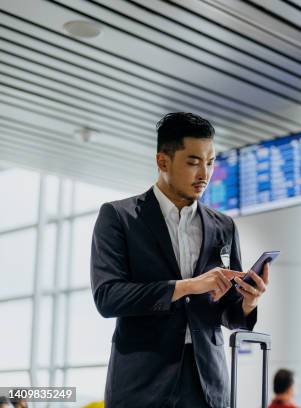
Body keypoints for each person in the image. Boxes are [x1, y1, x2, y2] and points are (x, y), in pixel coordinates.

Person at [91, 112, 270, 408]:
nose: (205, 174)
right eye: (193, 161)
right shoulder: (119, 217)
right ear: (162, 161)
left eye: (210, 162)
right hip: (142, 384)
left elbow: (227, 313)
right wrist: (186, 286)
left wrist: (248, 302)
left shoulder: (223, 226)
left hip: (207, 385)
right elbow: (108, 297)